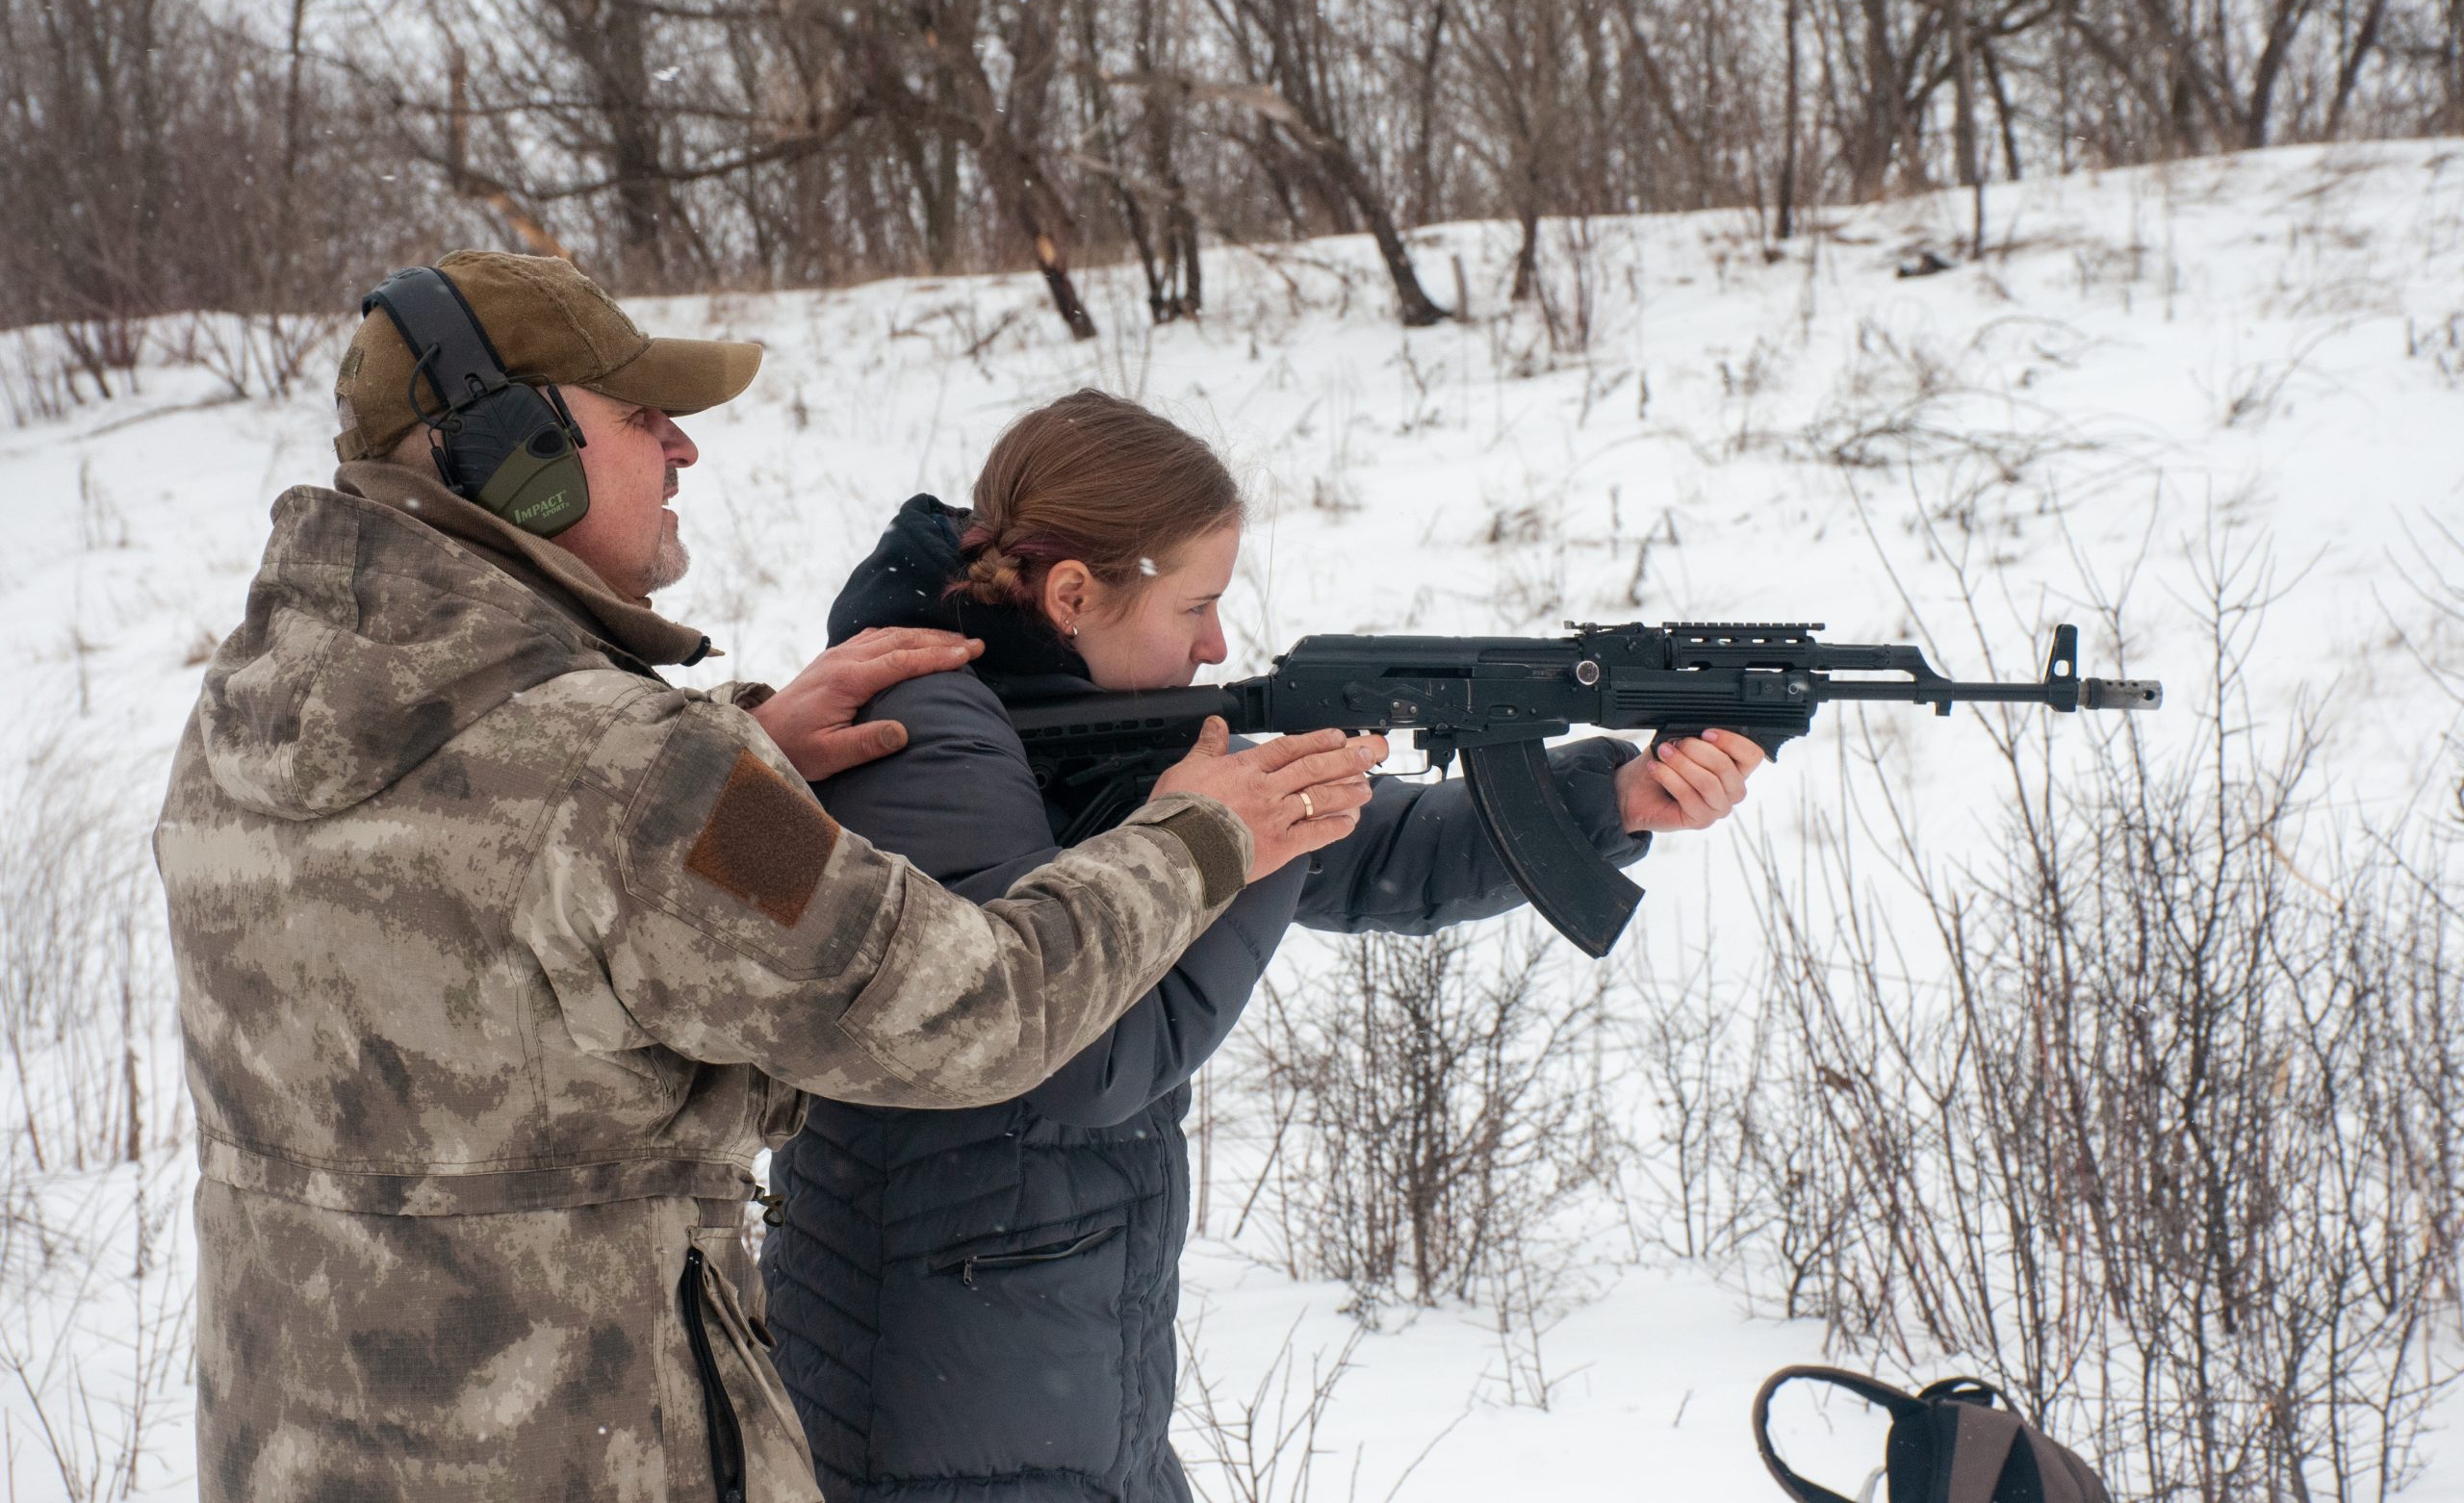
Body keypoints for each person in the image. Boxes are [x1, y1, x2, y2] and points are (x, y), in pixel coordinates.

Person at [152, 253, 1383, 1503]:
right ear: (515, 454)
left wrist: (740, 757)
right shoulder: (629, 777)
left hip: (290, 1451)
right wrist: (1197, 839)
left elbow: (498, 888)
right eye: (640, 417)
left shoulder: (253, 722)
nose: (681, 448)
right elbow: (973, 1010)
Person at [760, 391, 1762, 1503]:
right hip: (931, 1416)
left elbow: (1376, 850)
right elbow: (1071, 1055)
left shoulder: (1090, 718)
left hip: (1057, 1380)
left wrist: (1614, 801)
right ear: (1073, 593)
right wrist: (1230, 830)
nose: (1218, 643)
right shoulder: (922, 738)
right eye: (1196, 603)